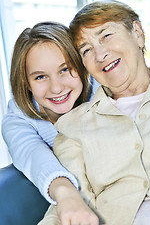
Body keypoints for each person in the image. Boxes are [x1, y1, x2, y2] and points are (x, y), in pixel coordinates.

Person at [39, 0, 150, 225]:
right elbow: (69, 207)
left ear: (137, 33)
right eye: (86, 49)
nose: (100, 53)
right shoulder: (73, 126)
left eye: (106, 36)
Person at [1, 21, 99, 225]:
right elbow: (33, 155)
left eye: (65, 69)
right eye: (40, 77)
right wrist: (66, 194)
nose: (56, 88)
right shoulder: (17, 119)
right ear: (26, 82)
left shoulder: (102, 89)